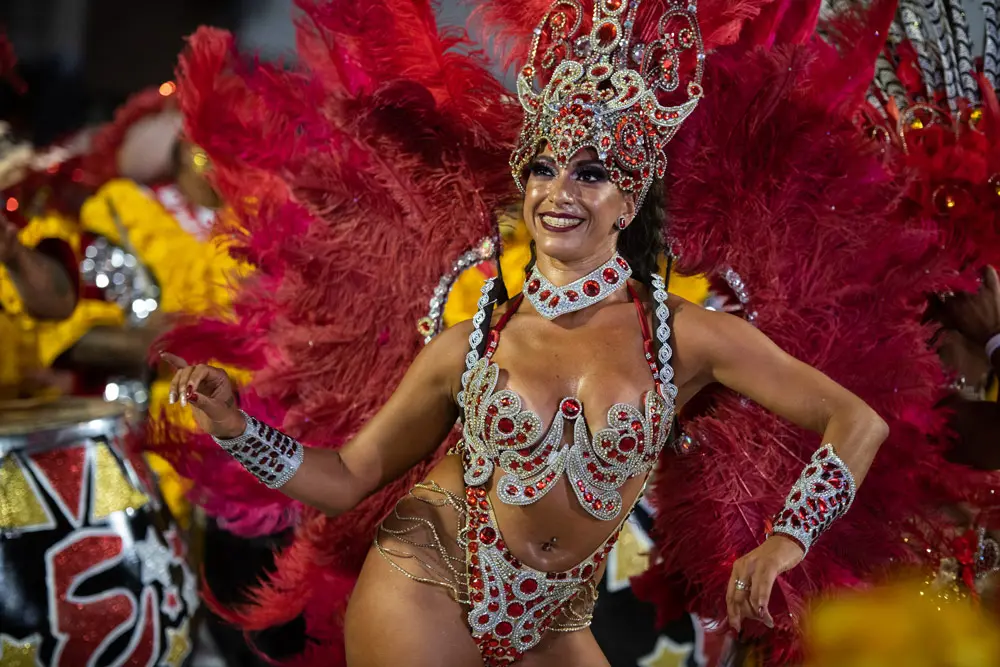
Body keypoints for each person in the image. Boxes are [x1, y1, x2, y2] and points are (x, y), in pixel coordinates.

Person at [162, 2, 889, 664]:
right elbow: (347, 476)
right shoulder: (470, 342)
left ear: (629, 198)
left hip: (549, 622)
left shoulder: (685, 335)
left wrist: (785, 541)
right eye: (543, 167)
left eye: (591, 173)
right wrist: (234, 426)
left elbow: (855, 421)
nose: (559, 192)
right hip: (424, 584)